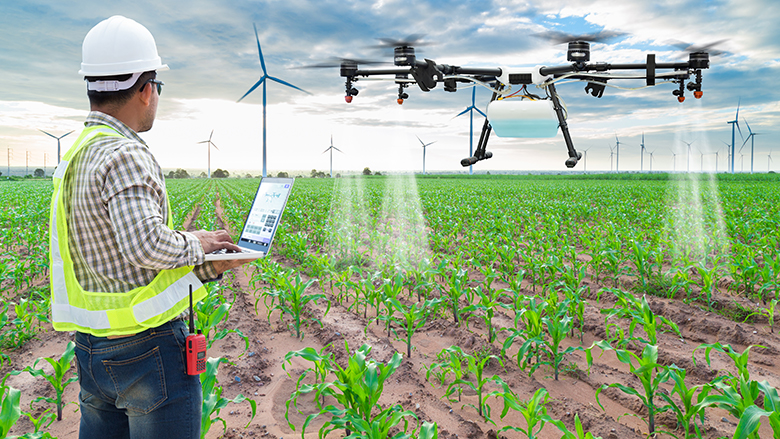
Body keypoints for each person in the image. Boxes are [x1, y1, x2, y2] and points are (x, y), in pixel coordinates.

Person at [47, 15, 252, 439]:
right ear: (145, 89)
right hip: (145, 354)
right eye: (157, 87)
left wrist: (210, 267)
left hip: (91, 350)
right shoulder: (123, 153)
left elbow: (120, 267)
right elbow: (144, 246)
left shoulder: (76, 154)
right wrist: (197, 243)